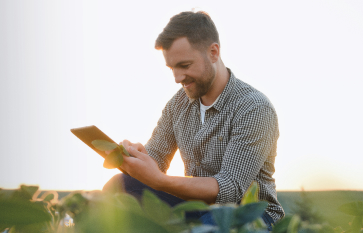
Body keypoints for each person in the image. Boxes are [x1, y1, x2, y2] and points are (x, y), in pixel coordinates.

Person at [103, 11, 284, 230]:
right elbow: (156, 159)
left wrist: (160, 181)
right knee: (120, 186)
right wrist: (135, 158)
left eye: (185, 65)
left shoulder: (254, 107)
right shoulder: (178, 104)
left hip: (250, 213)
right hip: (197, 206)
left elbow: (229, 189)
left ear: (213, 52)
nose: (177, 78)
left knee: (209, 225)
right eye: (172, 68)